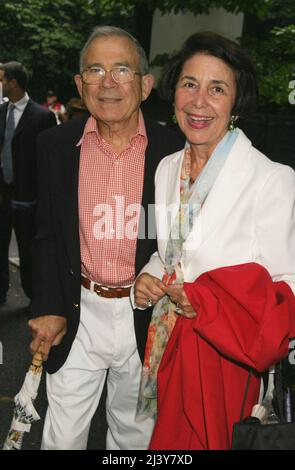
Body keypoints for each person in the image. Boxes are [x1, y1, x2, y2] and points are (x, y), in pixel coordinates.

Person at [134, 32, 295, 449]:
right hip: (169, 346)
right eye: (190, 84)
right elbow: (169, 250)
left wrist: (208, 302)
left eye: (217, 88)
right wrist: (148, 278)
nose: (199, 101)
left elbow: (288, 286)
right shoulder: (167, 169)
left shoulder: (272, 180)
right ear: (173, 94)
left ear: (236, 103)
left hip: (227, 361)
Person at [28, 26, 184, 450]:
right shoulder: (54, 145)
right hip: (78, 310)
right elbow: (44, 234)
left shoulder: (175, 150)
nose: (108, 82)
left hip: (146, 314)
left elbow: (176, 237)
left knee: (134, 438)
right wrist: (46, 306)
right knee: (60, 439)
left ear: (146, 85)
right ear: (80, 85)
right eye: (95, 70)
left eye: (122, 70)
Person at [0, 61, 56, 306]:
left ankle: (35, 298)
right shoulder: (1, 113)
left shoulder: (42, 116)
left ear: (13, 82)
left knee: (28, 251)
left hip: (28, 198)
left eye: (2, 79)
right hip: (2, 193)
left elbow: (49, 160)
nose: (0, 84)